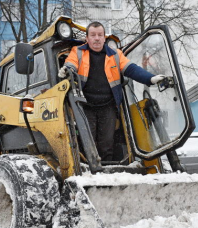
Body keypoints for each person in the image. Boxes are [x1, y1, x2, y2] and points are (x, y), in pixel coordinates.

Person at [58, 21, 165, 161]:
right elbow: (71, 64)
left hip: (108, 107)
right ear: (87, 38)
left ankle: (107, 171)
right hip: (85, 106)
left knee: (107, 143)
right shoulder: (78, 52)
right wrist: (68, 70)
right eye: (93, 35)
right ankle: (89, 171)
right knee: (87, 141)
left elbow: (131, 69)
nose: (96, 38)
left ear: (104, 38)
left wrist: (150, 79)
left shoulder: (115, 55)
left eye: (100, 35)